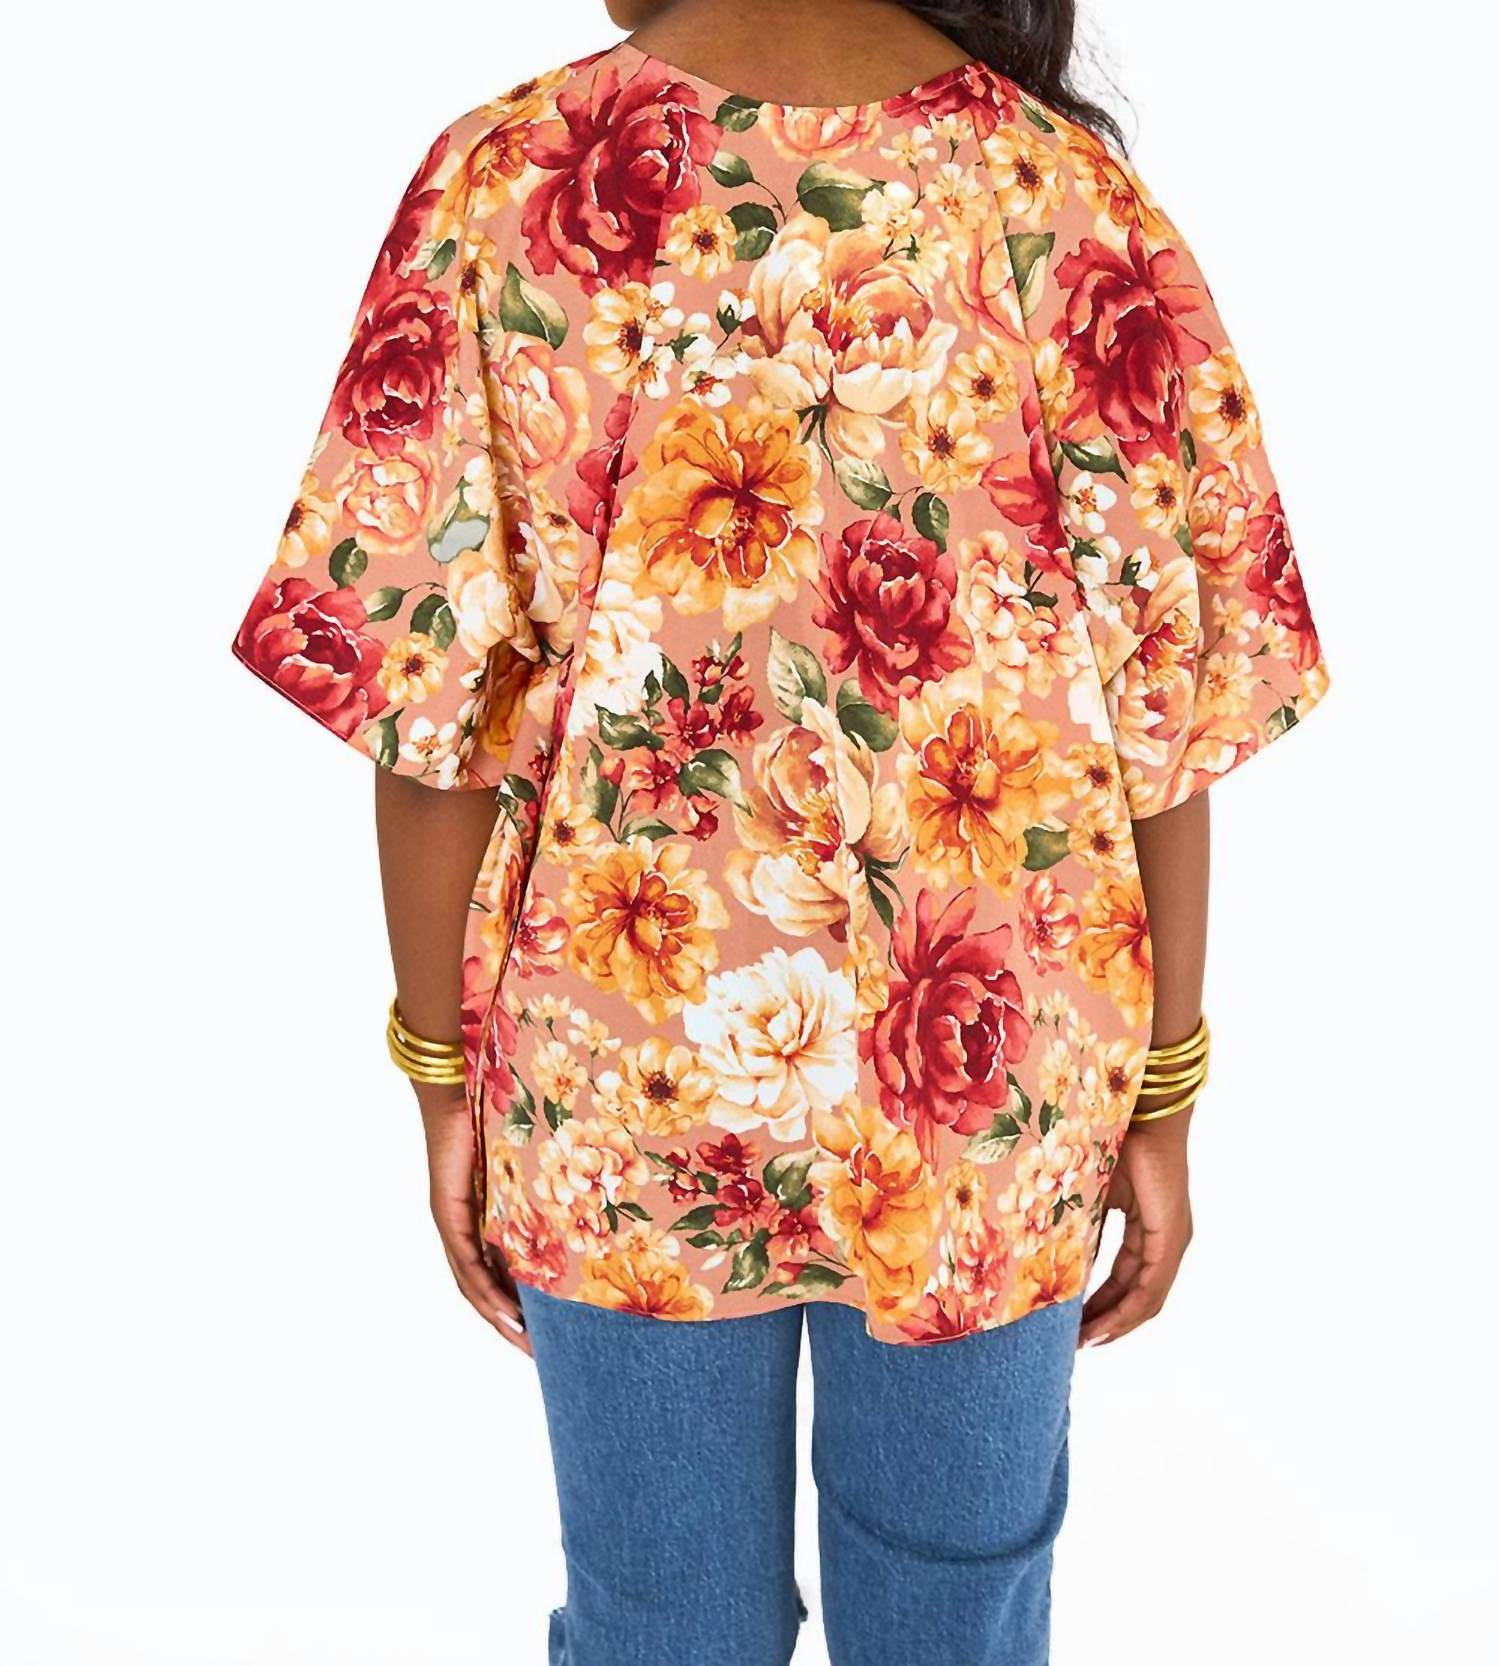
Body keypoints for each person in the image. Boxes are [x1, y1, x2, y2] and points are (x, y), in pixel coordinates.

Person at [229, 1, 1330, 1659]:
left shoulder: (513, 181)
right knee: (956, 1617)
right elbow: (1168, 727)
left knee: (662, 1623)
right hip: (989, 1088)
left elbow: (426, 701)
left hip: (620, 1085)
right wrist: (1162, 1090)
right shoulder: (1067, 201)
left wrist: (440, 1075)